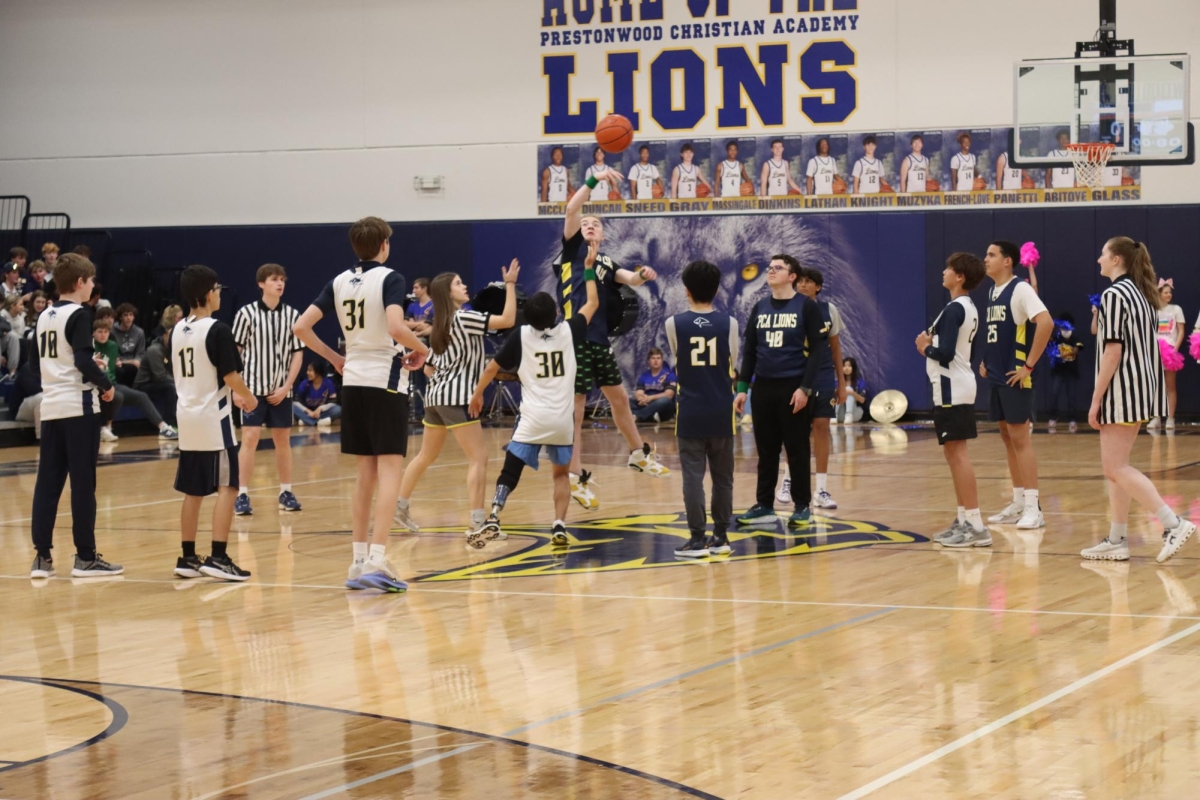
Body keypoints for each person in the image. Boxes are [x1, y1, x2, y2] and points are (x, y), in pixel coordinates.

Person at [292, 216, 429, 592]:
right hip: (384, 381)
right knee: (389, 472)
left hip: (352, 381)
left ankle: (357, 561)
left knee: (364, 474)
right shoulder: (391, 278)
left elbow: (301, 328)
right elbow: (398, 328)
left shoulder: (338, 281)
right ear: (384, 244)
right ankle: (378, 558)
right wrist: (425, 351)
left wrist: (335, 359)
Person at [468, 247, 600, 547]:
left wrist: (478, 395)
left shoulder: (522, 335)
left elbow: (490, 369)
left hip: (533, 419)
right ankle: (559, 525)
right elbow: (592, 302)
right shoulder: (569, 331)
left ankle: (494, 515)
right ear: (556, 314)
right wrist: (589, 267)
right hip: (561, 423)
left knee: (510, 471)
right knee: (560, 475)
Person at [558, 167, 669, 512]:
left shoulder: (605, 260)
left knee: (620, 400)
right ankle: (575, 476)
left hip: (598, 338)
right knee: (576, 412)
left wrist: (643, 274)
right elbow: (572, 208)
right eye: (586, 223)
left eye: (596, 224)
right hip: (574, 334)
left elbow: (630, 280)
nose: (590, 225)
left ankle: (637, 454)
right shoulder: (573, 250)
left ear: (604, 235)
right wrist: (594, 180)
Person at [1082, 237, 1195, 563]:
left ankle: (1173, 523)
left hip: (1122, 391)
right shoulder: (1141, 294)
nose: (1098, 259)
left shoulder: (1115, 294)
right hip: (1141, 389)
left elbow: (1113, 350)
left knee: (1114, 466)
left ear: (1117, 259)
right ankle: (1117, 538)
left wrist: (1096, 397)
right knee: (1117, 468)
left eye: (1103, 253)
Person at [393, 262, 520, 539]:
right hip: (456, 397)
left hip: (435, 397)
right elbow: (508, 319)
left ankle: (399, 506)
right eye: (458, 284)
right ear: (448, 294)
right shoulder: (464, 317)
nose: (464, 287)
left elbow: (429, 368)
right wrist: (510, 284)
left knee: (425, 455)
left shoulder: (440, 325)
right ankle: (477, 522)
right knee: (479, 457)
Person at [28, 253, 123, 579]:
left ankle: (42, 557)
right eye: (91, 281)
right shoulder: (80, 314)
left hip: (51, 407)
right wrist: (105, 383)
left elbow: (32, 365)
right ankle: (85, 557)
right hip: (79, 408)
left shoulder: (42, 317)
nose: (94, 285)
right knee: (83, 486)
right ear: (80, 283)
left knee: (47, 484)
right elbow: (82, 360)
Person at [171, 265, 259, 581]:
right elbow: (230, 375)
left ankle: (188, 557)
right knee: (229, 485)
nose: (220, 294)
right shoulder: (218, 329)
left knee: (193, 491)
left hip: (187, 415)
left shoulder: (177, 330)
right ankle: (218, 556)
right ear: (209, 293)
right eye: (218, 289)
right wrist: (248, 398)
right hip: (213, 418)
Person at [734, 254, 827, 527]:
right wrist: (742, 389)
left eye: (778, 268)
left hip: (793, 386)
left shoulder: (806, 306)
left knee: (796, 448)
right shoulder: (760, 306)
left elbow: (819, 350)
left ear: (792, 276)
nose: (771, 271)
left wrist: (805, 388)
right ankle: (764, 504)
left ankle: (802, 506)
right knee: (766, 450)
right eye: (770, 268)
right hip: (763, 387)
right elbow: (750, 349)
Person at [666, 260, 739, 557]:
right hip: (722, 410)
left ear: (686, 291)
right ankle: (721, 537)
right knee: (723, 478)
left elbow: (676, 356)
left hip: (691, 412)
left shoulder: (674, 323)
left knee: (692, 478)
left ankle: (697, 539)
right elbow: (732, 361)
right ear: (718, 289)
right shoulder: (730, 323)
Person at [980, 240, 1054, 529]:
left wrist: (1028, 366)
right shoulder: (992, 291)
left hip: (1016, 376)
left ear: (1008, 260)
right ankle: (1019, 500)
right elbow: (997, 333)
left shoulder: (1020, 288)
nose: (985, 259)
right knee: (1007, 438)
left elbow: (1045, 323)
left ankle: (1035, 508)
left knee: (1021, 439)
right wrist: (986, 362)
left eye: (991, 254)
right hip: (997, 376)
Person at [918, 253, 989, 547]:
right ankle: (963, 519)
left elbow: (945, 353)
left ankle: (975, 524)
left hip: (952, 390)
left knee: (958, 457)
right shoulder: (967, 307)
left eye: (949, 268)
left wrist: (924, 348)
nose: (944, 272)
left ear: (960, 276)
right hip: (955, 387)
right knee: (953, 455)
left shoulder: (953, 309)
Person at [232, 263, 304, 515]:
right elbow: (235, 354)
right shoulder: (246, 314)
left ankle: (286, 491)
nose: (280, 283)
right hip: (251, 389)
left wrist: (287, 386)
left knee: (282, 441)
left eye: (282, 279)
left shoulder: (293, 315)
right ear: (261, 284)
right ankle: (241, 494)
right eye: (274, 279)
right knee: (249, 439)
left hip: (280, 390)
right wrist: (236, 389)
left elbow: (298, 354)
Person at [94, 317, 178, 442]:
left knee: (141, 396)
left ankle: (163, 427)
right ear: (93, 333)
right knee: (117, 396)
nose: (103, 335)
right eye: (100, 332)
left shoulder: (112, 346)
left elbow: (110, 371)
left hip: (111, 383)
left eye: (106, 332)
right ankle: (106, 428)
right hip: (96, 385)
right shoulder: (90, 347)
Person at [1148, 279, 1185, 430]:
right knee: (1155, 386)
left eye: (1170, 292)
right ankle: (1156, 417)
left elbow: (1181, 331)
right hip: (1155, 350)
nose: (1169, 295)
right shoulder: (1153, 310)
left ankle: (1170, 418)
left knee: (1170, 386)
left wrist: (1175, 348)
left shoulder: (1176, 309)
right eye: (1166, 292)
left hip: (1170, 350)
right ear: (1159, 294)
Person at [1046, 313, 1084, 433]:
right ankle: (1052, 417)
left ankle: (1072, 419)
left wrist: (1063, 355)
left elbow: (1076, 350)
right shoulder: (1057, 338)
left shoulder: (1076, 339)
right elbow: (1048, 340)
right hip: (1058, 371)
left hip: (1071, 371)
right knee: (1054, 393)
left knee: (1071, 396)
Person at [135, 324, 178, 426]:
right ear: (165, 335)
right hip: (144, 385)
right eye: (171, 336)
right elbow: (159, 376)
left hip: (159, 383)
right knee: (172, 387)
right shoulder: (154, 350)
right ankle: (169, 424)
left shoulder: (172, 350)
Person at [405, 277, 433, 420]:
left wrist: (415, 328)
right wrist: (418, 326)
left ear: (424, 288)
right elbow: (404, 323)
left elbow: (430, 327)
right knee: (416, 381)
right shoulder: (412, 306)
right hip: (413, 345)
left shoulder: (433, 305)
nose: (413, 290)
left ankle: (431, 412)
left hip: (429, 346)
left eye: (416, 288)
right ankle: (417, 411)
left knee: (428, 379)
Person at [630, 348, 677, 423]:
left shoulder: (669, 375)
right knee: (627, 401)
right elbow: (639, 392)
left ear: (662, 361)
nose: (656, 361)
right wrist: (641, 399)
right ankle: (649, 416)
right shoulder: (644, 376)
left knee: (665, 401)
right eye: (653, 358)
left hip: (663, 407)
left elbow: (669, 394)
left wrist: (650, 398)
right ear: (649, 361)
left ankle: (638, 416)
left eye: (658, 358)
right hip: (647, 403)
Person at [293, 361, 340, 427]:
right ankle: (316, 422)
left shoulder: (328, 383)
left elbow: (333, 402)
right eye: (307, 370)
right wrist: (309, 412)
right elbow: (296, 402)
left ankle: (306, 421)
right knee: (292, 408)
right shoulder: (305, 383)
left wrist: (320, 408)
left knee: (338, 409)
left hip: (321, 413)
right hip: (307, 413)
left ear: (318, 372)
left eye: (310, 370)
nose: (307, 373)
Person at [111, 303, 145, 386]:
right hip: (119, 363)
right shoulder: (112, 332)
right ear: (120, 317)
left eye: (131, 315)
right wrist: (131, 362)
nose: (129, 318)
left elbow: (140, 354)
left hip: (135, 363)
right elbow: (114, 356)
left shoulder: (139, 332)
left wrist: (136, 361)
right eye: (125, 315)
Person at [1, 293, 25, 380]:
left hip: (11, 346)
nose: (23, 307)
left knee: (14, 336)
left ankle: (13, 372)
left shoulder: (21, 319)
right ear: (12, 306)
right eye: (21, 304)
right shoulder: (2, 315)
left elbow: (20, 336)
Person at [837, 357, 867, 423]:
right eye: (844, 366)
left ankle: (849, 414)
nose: (846, 368)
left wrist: (852, 393)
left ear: (853, 368)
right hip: (840, 414)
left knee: (848, 389)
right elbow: (831, 401)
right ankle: (834, 415)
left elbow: (863, 400)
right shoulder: (837, 383)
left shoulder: (860, 383)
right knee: (836, 392)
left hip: (854, 413)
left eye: (849, 366)